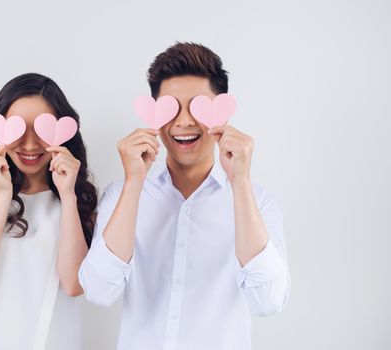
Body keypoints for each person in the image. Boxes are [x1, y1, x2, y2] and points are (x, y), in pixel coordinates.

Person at [79, 42, 290, 350]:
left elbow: (268, 301)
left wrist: (240, 181)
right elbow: (99, 292)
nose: (184, 121)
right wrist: (134, 182)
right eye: (171, 107)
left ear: (222, 111)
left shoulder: (259, 202)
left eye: (198, 106)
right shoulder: (120, 195)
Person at [0, 73, 97, 349]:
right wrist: (2, 196)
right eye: (18, 129)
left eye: (42, 129)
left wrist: (67, 195)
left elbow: (75, 284)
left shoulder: (77, 196)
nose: (29, 145)